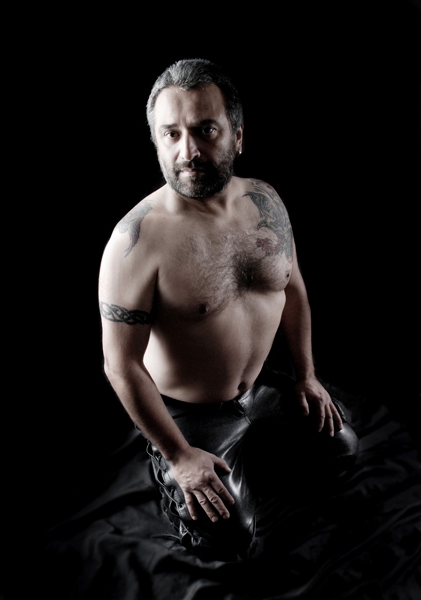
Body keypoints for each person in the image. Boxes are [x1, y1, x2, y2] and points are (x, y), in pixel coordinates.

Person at [98, 58, 359, 560]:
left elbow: (293, 291)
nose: (188, 151)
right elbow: (120, 364)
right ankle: (167, 460)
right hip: (187, 414)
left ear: (237, 136)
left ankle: (250, 443)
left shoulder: (265, 202)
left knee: (342, 450)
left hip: (259, 389)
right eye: (171, 134)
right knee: (228, 541)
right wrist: (179, 456)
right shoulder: (135, 242)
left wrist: (306, 376)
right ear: (156, 142)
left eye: (205, 130)